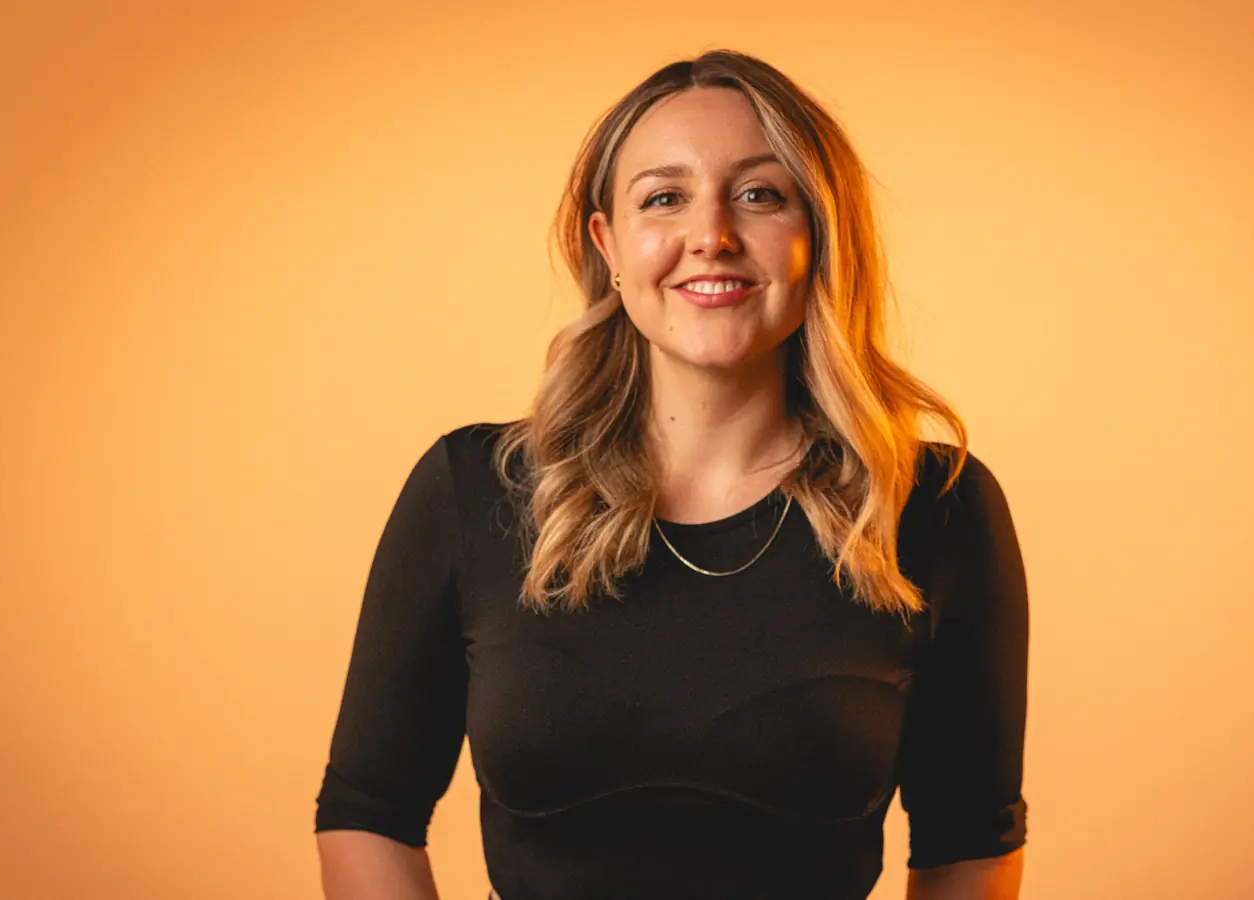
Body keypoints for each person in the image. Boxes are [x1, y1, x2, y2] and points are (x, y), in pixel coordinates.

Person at [313, 49, 1029, 900]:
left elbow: (969, 841)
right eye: (664, 198)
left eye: (761, 194)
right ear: (608, 245)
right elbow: (368, 810)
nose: (712, 235)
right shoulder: (473, 490)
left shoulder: (933, 508)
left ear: (820, 233)